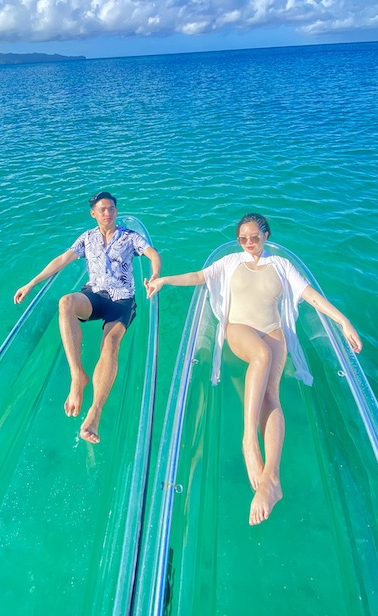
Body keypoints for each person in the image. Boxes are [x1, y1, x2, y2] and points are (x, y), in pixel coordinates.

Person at [146, 213, 362, 526]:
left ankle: (272, 479)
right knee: (261, 355)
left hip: (274, 331)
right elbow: (198, 276)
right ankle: (249, 441)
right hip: (239, 329)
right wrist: (164, 280)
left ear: (266, 235)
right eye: (243, 238)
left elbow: (311, 296)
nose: (249, 243)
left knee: (272, 398)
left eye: (254, 237)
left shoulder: (282, 265)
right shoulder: (230, 262)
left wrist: (344, 322)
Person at [14, 192, 161, 444]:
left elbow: (153, 254)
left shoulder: (129, 237)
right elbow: (62, 259)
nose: (108, 213)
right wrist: (31, 284)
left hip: (121, 301)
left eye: (111, 208)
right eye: (102, 209)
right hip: (94, 295)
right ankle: (77, 376)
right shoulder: (87, 238)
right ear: (93, 213)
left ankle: (95, 412)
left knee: (110, 344)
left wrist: (155, 276)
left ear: (116, 211)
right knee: (66, 302)